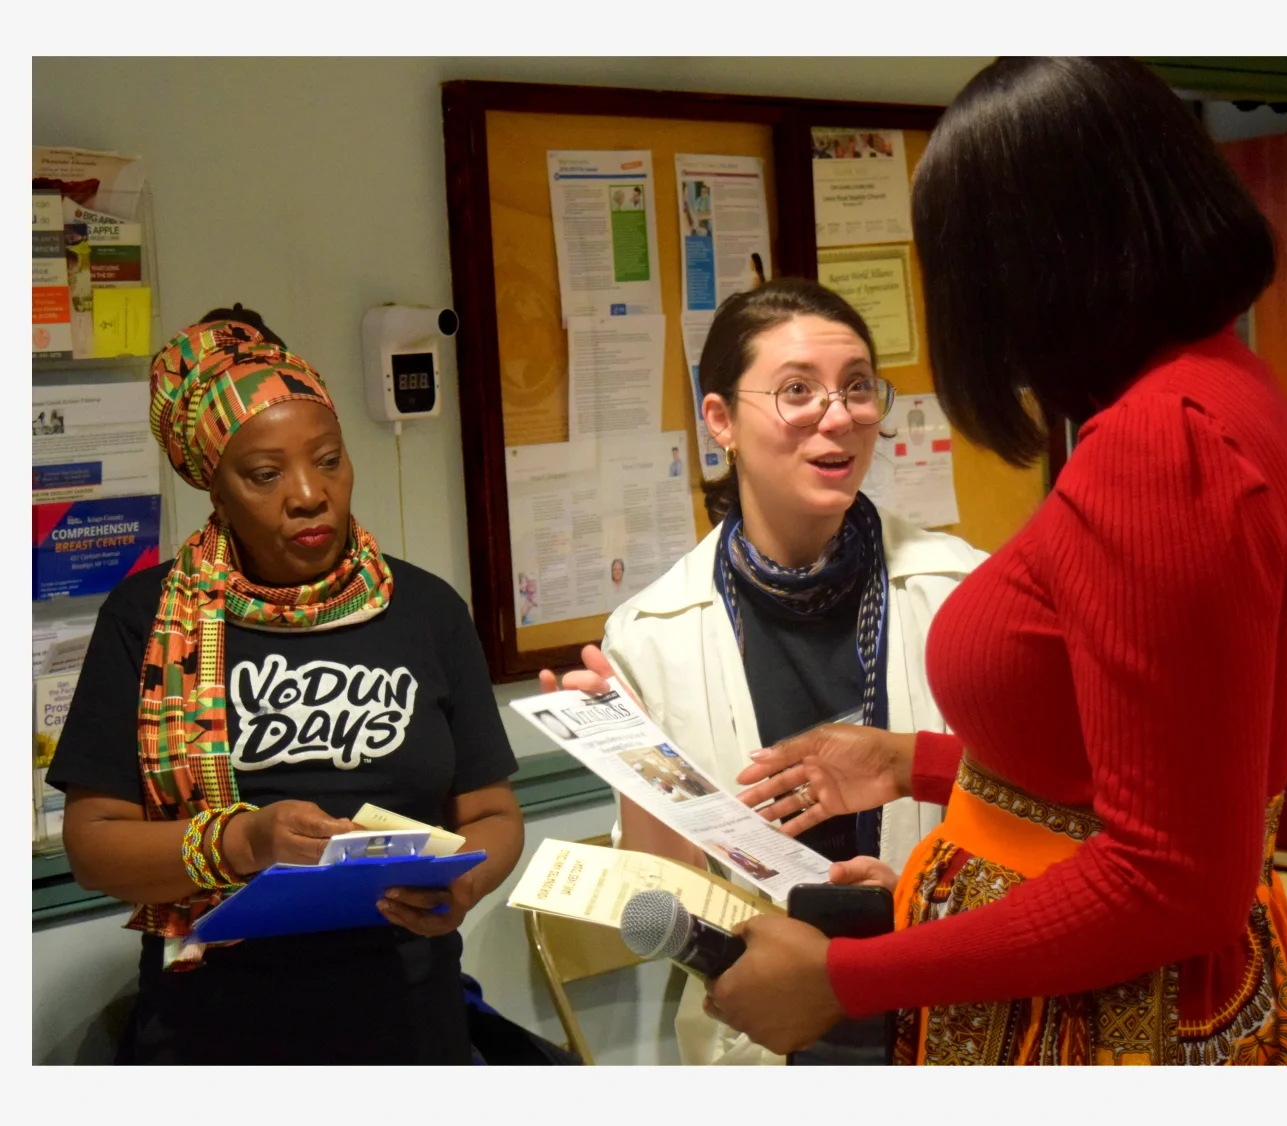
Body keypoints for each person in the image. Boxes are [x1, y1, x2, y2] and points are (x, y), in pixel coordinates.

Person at [716, 57, 1287, 1067]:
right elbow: (1160, 774)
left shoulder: (1156, 448)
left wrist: (844, 981)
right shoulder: (1219, 390)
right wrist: (910, 760)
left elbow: (1167, 878)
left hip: (1096, 1024)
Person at [47, 307, 525, 1065]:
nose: (308, 494)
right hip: (214, 1033)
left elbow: (493, 814)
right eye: (265, 475)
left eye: (328, 459)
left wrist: (464, 884)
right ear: (217, 488)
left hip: (407, 1021)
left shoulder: (427, 608)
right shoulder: (148, 620)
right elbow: (94, 846)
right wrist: (244, 840)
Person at [541, 278, 986, 1064]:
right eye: (797, 391)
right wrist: (626, 759)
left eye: (856, 387)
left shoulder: (963, 593)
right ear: (721, 422)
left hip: (942, 999)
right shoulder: (651, 634)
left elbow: (1030, 817)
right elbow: (670, 894)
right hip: (760, 1035)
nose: (839, 414)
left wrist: (914, 899)